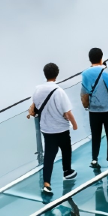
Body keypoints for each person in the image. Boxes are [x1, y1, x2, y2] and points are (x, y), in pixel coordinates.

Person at [27, 66, 79, 196]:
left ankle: (46, 183)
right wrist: (74, 124)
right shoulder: (58, 91)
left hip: (46, 129)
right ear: (57, 74)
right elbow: (67, 112)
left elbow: (34, 106)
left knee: (49, 156)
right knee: (66, 149)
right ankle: (67, 172)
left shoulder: (37, 90)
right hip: (61, 128)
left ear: (45, 74)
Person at [80, 48, 108, 169]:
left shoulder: (85, 74)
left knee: (96, 136)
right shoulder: (106, 73)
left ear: (90, 59)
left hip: (93, 111)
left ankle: (94, 159)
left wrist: (86, 106)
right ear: (101, 58)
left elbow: (84, 94)